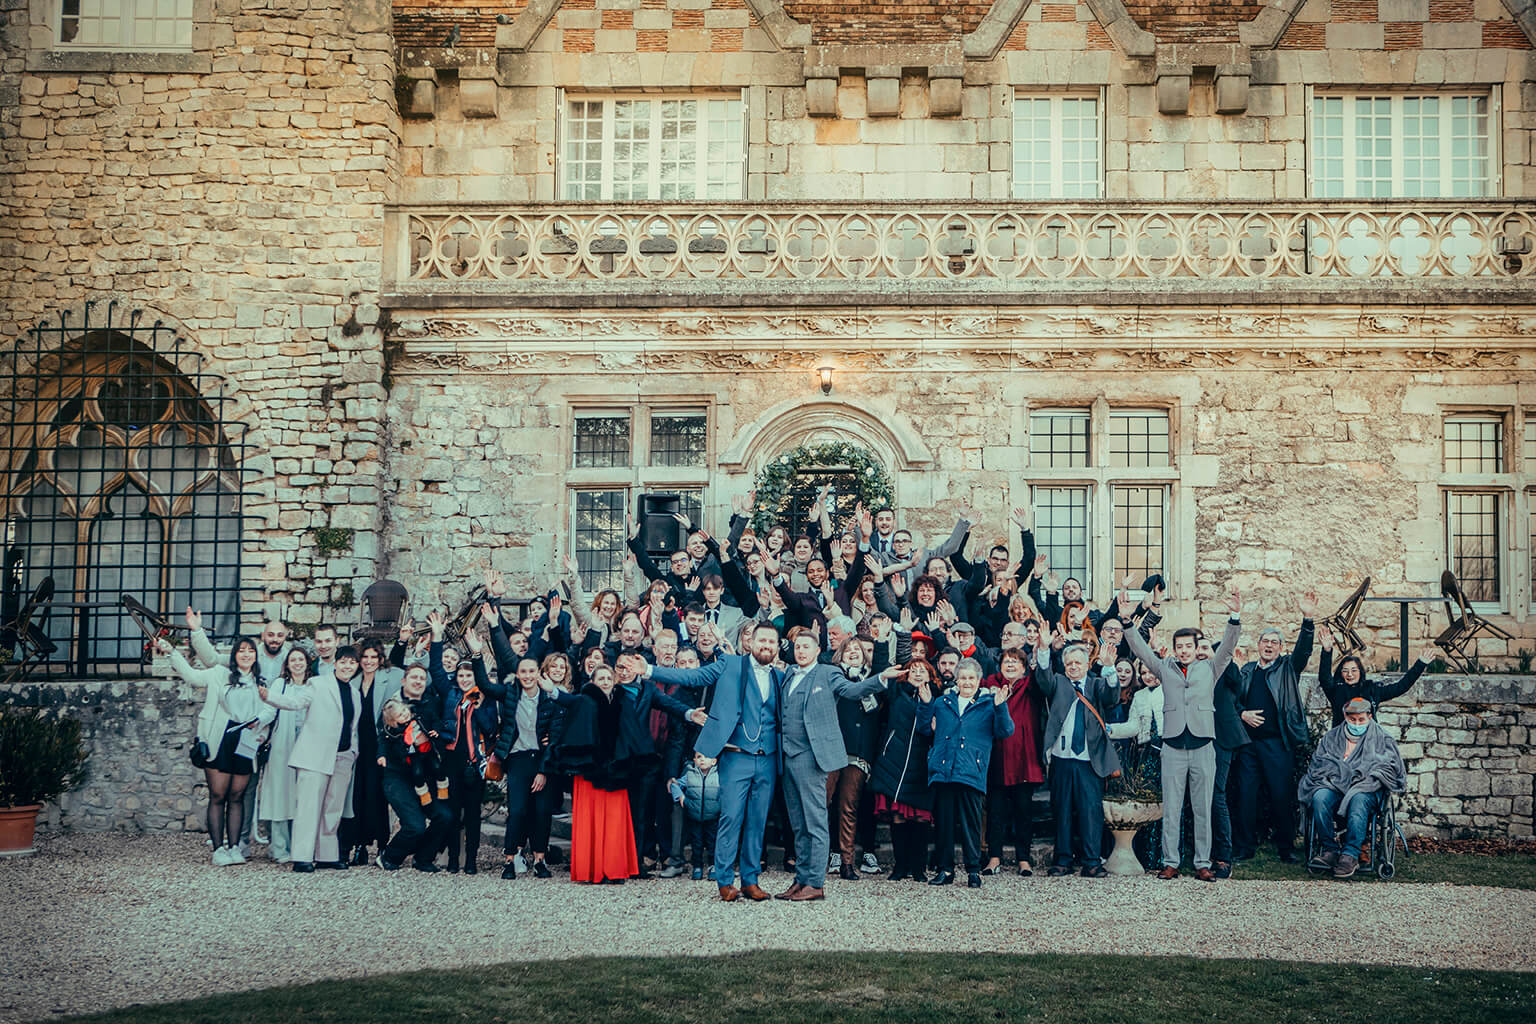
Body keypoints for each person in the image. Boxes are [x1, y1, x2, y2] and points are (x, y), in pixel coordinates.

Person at [643, 622, 785, 902]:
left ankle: (750, 879)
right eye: (762, 641)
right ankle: (723, 880)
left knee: (757, 821)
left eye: (771, 642)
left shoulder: (779, 676)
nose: (766, 646)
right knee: (730, 817)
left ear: (777, 647)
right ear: (751, 644)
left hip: (767, 758)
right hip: (736, 756)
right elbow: (695, 677)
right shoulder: (729, 664)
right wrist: (649, 670)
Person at [1122, 585, 1241, 882]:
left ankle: (1202, 862)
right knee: (1172, 808)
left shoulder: (1210, 668)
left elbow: (1227, 646)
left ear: (1196, 646)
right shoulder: (1165, 668)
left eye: (1189, 646)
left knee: (1203, 808)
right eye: (1180, 646)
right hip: (1173, 746)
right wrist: (1126, 622)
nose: (1184, 650)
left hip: (1203, 745)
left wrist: (1235, 616)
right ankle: (1170, 861)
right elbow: (1141, 650)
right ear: (1175, 649)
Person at [769, 630, 890, 902]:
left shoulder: (827, 672)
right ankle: (800, 879)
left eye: (806, 647)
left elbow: (853, 690)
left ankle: (815, 882)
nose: (800, 651)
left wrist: (880, 678)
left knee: (815, 822)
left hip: (812, 757)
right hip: (787, 757)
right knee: (798, 823)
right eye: (797, 647)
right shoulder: (788, 673)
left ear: (816, 650)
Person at [157, 631, 274, 865]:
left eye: (251, 650)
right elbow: (191, 676)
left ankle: (234, 847)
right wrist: (172, 652)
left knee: (237, 796)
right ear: (234, 655)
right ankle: (218, 849)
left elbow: (269, 709)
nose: (246, 654)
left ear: (255, 656)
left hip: (246, 742)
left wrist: (260, 725)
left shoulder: (260, 682)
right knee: (218, 795)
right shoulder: (219, 674)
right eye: (242, 650)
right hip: (219, 738)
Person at [256, 644, 363, 872]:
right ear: (336, 664)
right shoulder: (318, 683)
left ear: (357, 666)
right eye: (343, 661)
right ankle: (302, 856)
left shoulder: (355, 693)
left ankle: (326, 855)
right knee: (308, 807)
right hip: (315, 755)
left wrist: (353, 752)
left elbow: (352, 728)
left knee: (332, 809)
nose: (347, 666)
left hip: (343, 757)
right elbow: (295, 703)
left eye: (352, 662)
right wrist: (270, 697)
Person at [549, 664, 659, 884]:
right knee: (593, 822)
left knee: (615, 823)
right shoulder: (584, 701)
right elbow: (570, 710)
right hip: (591, 772)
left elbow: (633, 734)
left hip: (617, 772)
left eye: (609, 678)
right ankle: (594, 870)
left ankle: (615, 869)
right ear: (593, 681)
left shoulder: (624, 702)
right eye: (601, 678)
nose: (606, 682)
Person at [1233, 593, 1317, 864]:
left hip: (1277, 744)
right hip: (1248, 745)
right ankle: (1244, 847)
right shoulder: (1245, 670)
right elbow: (1230, 702)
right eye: (1265, 641)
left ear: (1281, 647)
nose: (1269, 646)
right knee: (1245, 796)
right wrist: (1242, 714)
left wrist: (1307, 620)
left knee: (1282, 796)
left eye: (1274, 642)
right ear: (1257, 645)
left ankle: (1286, 848)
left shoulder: (1287, 668)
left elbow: (1304, 651)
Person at [918, 657, 1015, 888]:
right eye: (963, 677)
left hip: (971, 770)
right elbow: (924, 728)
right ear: (957, 680)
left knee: (971, 824)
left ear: (978, 680)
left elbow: (1005, 731)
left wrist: (1001, 706)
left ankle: (973, 870)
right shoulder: (942, 702)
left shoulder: (988, 703)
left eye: (971, 678)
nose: (967, 682)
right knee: (944, 824)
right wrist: (925, 704)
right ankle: (945, 869)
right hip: (943, 770)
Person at [1034, 631, 1122, 877]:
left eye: (1077, 663)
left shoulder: (1096, 684)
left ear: (1087, 665)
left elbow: (1112, 697)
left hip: (1089, 758)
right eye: (1069, 663)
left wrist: (1109, 668)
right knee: (1061, 809)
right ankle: (1062, 860)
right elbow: (1043, 679)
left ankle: (1091, 861)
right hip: (1062, 757)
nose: (1073, 667)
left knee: (1090, 811)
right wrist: (1043, 650)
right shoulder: (1059, 682)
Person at [1298, 697, 1407, 879]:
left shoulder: (1383, 738)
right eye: (1352, 720)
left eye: (1361, 720)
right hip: (1335, 786)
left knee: (1358, 800)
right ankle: (1330, 850)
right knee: (1319, 797)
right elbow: (1320, 763)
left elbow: (1390, 767)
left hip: (1367, 788)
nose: (1357, 724)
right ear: (1345, 717)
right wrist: (1340, 773)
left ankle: (1350, 855)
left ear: (1370, 717)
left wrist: (1363, 775)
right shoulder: (1331, 737)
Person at [868, 658, 939, 881]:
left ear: (930, 676)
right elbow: (882, 676)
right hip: (895, 763)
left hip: (921, 764)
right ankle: (900, 866)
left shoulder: (938, 698)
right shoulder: (897, 693)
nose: (918, 674)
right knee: (898, 817)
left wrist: (927, 704)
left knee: (921, 819)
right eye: (914, 670)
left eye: (923, 670)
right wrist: (881, 645)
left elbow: (928, 730)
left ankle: (918, 868)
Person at [439, 632, 500, 875]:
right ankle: (454, 858)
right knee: (453, 811)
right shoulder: (451, 696)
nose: (464, 679)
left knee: (473, 813)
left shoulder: (483, 698)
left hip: (475, 761)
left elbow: (491, 728)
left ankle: (472, 860)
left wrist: (478, 706)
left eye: (469, 675)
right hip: (453, 759)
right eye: (461, 675)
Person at [982, 647, 1046, 877]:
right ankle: (994, 857)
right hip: (997, 756)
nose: (1010, 665)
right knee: (996, 811)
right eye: (1006, 661)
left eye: (1015, 662)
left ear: (1024, 667)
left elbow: (1045, 684)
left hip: (1024, 757)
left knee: (1023, 811)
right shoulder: (989, 683)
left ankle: (1023, 859)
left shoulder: (1030, 685)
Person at [340, 638, 403, 866]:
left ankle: (383, 845)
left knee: (378, 797)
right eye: (365, 657)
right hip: (357, 746)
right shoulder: (353, 680)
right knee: (356, 797)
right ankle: (359, 846)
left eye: (373, 657)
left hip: (379, 747)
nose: (368, 661)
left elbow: (415, 673)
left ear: (380, 659)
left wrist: (405, 642)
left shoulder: (391, 676)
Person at [376, 696, 454, 872]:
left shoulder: (420, 718)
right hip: (397, 779)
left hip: (421, 781)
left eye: (405, 711)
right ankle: (389, 856)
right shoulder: (391, 733)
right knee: (415, 825)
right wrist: (382, 756)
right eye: (400, 715)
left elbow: (436, 728)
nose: (405, 715)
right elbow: (382, 744)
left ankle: (423, 858)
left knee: (444, 816)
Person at [257, 646, 313, 864]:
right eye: (293, 660)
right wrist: (257, 721)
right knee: (281, 794)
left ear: (307, 662)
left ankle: (300, 846)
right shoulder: (280, 684)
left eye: (301, 659)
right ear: (287, 664)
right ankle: (279, 847)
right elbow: (270, 710)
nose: (297, 663)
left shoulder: (313, 685)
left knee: (302, 797)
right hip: (283, 744)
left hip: (308, 744)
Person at [1318, 632, 1434, 726]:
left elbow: (1401, 687)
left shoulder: (1372, 690)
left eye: (1354, 670)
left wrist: (1420, 664)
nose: (1350, 674)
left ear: (1360, 672)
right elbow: (1324, 678)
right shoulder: (1336, 690)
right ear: (1340, 673)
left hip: (1369, 743)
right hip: (1341, 743)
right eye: (1345, 671)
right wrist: (1327, 651)